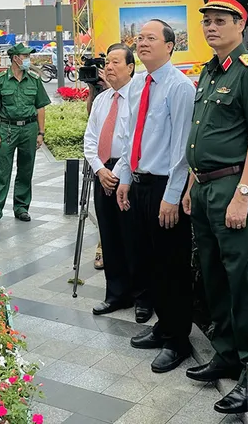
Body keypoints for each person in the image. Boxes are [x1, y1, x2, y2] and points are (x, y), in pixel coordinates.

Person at [181, 0, 248, 414]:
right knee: (213, 275)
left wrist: (243, 195)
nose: (211, 27)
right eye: (208, 20)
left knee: (241, 281)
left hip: (233, 187)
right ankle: (225, 353)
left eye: (221, 20)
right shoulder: (209, 71)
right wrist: (190, 186)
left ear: (241, 24)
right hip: (204, 188)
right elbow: (200, 135)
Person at [115, 19, 195, 373]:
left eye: (151, 38)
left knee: (171, 266)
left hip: (166, 187)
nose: (143, 43)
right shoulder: (138, 84)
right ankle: (164, 326)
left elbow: (182, 147)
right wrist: (125, 178)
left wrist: (173, 195)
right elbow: (131, 136)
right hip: (140, 184)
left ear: (170, 46)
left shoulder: (180, 87)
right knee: (149, 262)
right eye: (140, 38)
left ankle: (179, 339)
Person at [83, 44, 151, 322]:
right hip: (103, 173)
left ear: (130, 67)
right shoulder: (102, 100)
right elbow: (90, 138)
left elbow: (136, 139)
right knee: (109, 235)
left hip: (130, 174)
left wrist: (120, 173)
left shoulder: (139, 97)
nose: (108, 68)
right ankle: (116, 294)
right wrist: (100, 170)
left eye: (115, 62)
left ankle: (143, 298)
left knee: (134, 237)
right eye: (107, 63)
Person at [0, 44, 50, 230]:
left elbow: (40, 107)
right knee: (2, 172)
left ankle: (21, 208)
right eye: (25, 56)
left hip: (29, 129)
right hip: (8, 129)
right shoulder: (0, 80)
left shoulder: (34, 80)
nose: (28, 59)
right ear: (15, 58)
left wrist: (41, 132)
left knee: (26, 170)